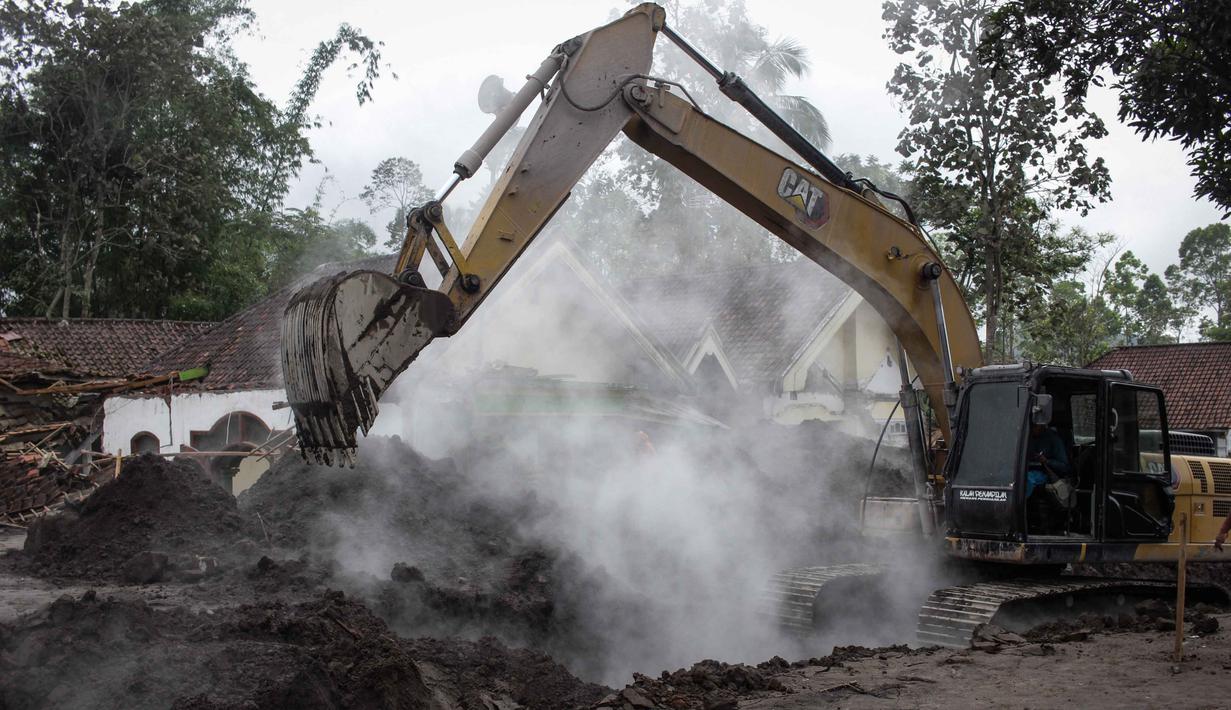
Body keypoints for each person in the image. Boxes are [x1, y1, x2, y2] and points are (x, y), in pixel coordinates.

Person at [1025, 420, 1071, 499]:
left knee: (1027, 479)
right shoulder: (1026, 438)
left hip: (1045, 473)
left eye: (1034, 426)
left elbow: (1064, 466)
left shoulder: (1054, 439)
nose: (1032, 428)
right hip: (1025, 469)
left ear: (1042, 425)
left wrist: (1046, 461)